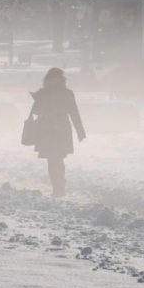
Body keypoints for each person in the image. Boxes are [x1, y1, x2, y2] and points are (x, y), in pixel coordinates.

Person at [28, 67, 86, 198]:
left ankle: (58, 187)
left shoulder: (43, 93)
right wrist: (80, 130)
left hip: (47, 130)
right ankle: (59, 186)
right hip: (61, 130)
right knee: (57, 159)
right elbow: (74, 112)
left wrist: (37, 100)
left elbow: (37, 112)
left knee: (53, 160)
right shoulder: (67, 93)